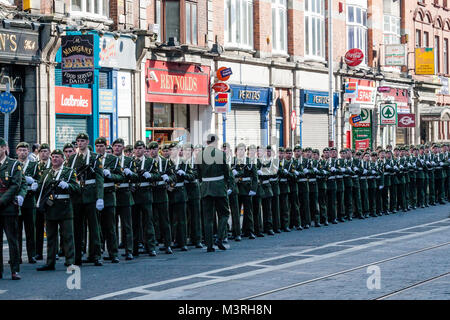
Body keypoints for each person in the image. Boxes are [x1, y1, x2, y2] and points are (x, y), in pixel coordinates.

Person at [36, 149, 79, 271]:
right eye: (53, 157)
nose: (54, 159)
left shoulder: (69, 172)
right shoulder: (47, 172)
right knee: (51, 237)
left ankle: (70, 261)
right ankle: (50, 262)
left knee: (68, 236)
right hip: (50, 207)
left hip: (65, 207)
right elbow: (41, 187)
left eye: (57, 157)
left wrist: (68, 186)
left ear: (62, 159)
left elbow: (76, 188)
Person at [67, 133, 104, 266]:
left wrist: (100, 197)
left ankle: (96, 255)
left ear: (87, 142)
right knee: (77, 228)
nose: (80, 143)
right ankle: (77, 256)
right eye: (78, 141)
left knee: (94, 227)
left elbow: (99, 178)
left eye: (83, 141)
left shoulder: (94, 158)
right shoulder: (72, 159)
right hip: (77, 197)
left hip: (91, 195)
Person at [195, 134, 231, 252]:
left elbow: (198, 174)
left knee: (208, 218)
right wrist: (227, 184)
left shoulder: (200, 155)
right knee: (224, 214)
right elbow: (227, 172)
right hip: (219, 187)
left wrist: (204, 183)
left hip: (205, 188)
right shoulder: (221, 154)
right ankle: (219, 238)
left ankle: (209, 245)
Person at [95, 137, 121, 263]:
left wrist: (110, 175)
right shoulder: (92, 159)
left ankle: (113, 253)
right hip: (96, 196)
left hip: (109, 195)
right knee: (97, 227)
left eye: (101, 146)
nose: (99, 148)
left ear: (106, 147)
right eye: (97, 146)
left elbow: (120, 176)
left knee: (110, 226)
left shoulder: (113, 159)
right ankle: (97, 252)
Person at [132, 140, 160, 257]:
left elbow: (158, 175)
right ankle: (134, 248)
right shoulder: (131, 161)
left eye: (141, 148)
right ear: (134, 150)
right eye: (137, 148)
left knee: (148, 221)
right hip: (134, 193)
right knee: (135, 222)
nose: (139, 150)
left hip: (146, 193)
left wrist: (151, 176)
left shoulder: (150, 162)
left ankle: (151, 247)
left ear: (144, 149)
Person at [0, 137, 23, 280]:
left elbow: (15, 185)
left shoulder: (14, 165)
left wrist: (2, 201)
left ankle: (15, 269)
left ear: (4, 148)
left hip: (8, 208)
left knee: (12, 240)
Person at [16, 142, 39, 264]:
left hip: (29, 199)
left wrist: (35, 182)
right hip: (17, 200)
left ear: (28, 151)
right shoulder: (13, 164)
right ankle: (17, 255)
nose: (22, 152)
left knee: (30, 229)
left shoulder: (34, 165)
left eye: (25, 150)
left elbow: (40, 180)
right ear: (16, 152)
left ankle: (31, 255)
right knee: (17, 230)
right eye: (20, 150)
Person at [112, 138, 135, 260]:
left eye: (119, 146)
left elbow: (136, 177)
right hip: (113, 194)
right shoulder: (108, 160)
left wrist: (130, 173)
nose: (117, 148)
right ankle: (114, 251)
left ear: (123, 148)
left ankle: (129, 250)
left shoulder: (129, 161)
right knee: (113, 225)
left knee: (127, 225)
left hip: (125, 194)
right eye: (115, 146)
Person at [151, 143, 174, 254]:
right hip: (150, 193)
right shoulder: (145, 162)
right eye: (150, 149)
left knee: (164, 221)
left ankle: (167, 244)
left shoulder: (165, 162)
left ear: (158, 150)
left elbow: (173, 176)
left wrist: (168, 178)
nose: (152, 151)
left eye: (154, 149)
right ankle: (151, 244)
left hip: (161, 193)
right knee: (151, 221)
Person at [35, 143, 52, 261]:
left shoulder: (53, 164)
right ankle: (38, 252)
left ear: (49, 153)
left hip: (50, 199)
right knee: (38, 227)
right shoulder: (36, 165)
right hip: (38, 199)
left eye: (45, 151)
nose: (43, 154)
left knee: (51, 228)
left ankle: (53, 252)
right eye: (41, 152)